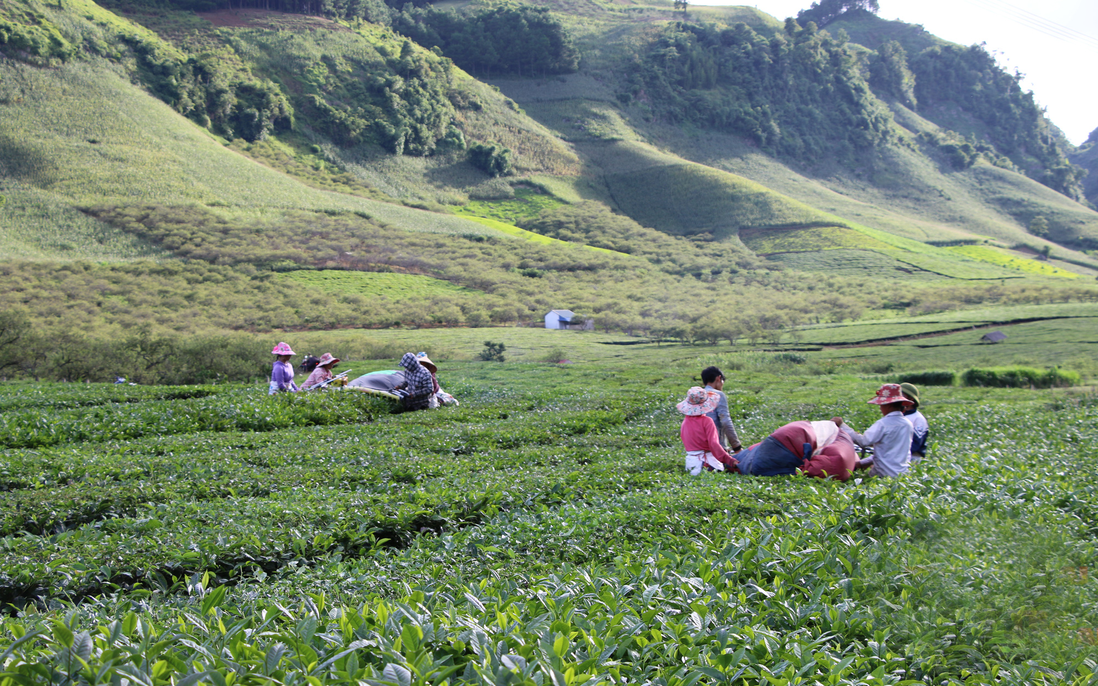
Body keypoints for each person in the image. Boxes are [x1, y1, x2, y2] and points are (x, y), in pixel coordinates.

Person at [835, 383, 914, 478]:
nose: (880, 408)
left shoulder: (884, 424)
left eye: (881, 405)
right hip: (903, 474)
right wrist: (862, 463)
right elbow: (887, 450)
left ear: (888, 405)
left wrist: (842, 426)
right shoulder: (908, 424)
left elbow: (864, 441)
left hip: (884, 474)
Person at [735, 419, 855, 480]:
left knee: (745, 460)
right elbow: (814, 469)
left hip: (787, 435)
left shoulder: (834, 435)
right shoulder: (840, 453)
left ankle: (728, 461)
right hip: (791, 442)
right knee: (757, 465)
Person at [678, 387, 738, 475]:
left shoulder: (685, 422)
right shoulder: (707, 421)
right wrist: (730, 460)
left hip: (691, 465)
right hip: (708, 463)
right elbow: (714, 444)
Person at [701, 366, 742, 453]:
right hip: (716, 446)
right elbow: (725, 421)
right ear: (718, 378)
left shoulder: (697, 396)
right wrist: (736, 447)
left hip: (698, 447)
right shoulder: (718, 395)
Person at [900, 382, 929, 463]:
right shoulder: (899, 415)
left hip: (912, 460)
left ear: (911, 398)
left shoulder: (918, 419)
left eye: (901, 395)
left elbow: (915, 444)